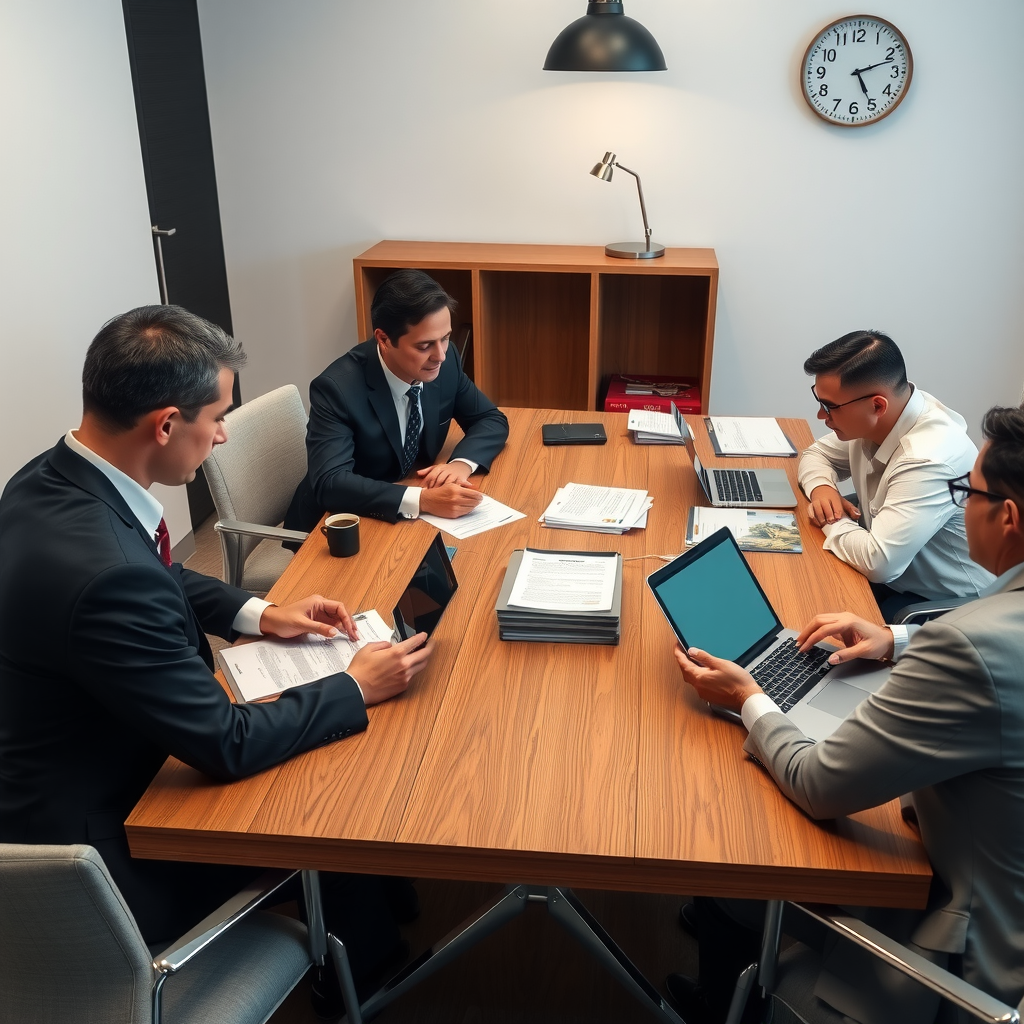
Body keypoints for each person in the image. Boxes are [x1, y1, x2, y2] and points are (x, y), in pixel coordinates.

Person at [0, 305, 431, 963]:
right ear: (166, 425)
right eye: (218, 417)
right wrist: (353, 686)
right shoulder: (106, 576)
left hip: (65, 762)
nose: (224, 436)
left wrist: (261, 613)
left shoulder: (49, 478)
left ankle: (386, 913)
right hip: (105, 853)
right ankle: (367, 977)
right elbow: (225, 743)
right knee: (334, 825)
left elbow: (155, 569)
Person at [671, 404, 1024, 1023]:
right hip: (994, 877)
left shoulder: (970, 645)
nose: (960, 504)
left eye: (967, 492)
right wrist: (898, 639)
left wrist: (750, 697)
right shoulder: (989, 627)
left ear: (1009, 517)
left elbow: (820, 783)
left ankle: (723, 1005)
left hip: (969, 960)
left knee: (732, 844)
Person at [285, 269, 509, 530]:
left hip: (400, 514)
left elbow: (490, 419)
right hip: (337, 525)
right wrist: (422, 500)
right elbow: (331, 482)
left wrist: (461, 464)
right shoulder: (336, 389)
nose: (441, 356)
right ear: (384, 339)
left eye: (445, 339)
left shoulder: (443, 365)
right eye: (424, 346)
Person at [798, 330, 992, 620]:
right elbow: (815, 455)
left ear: (877, 405)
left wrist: (831, 517)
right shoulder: (884, 415)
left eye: (830, 407)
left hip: (943, 606)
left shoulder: (928, 457)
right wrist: (822, 489)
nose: (821, 416)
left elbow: (879, 563)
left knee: (812, 623)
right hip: (896, 575)